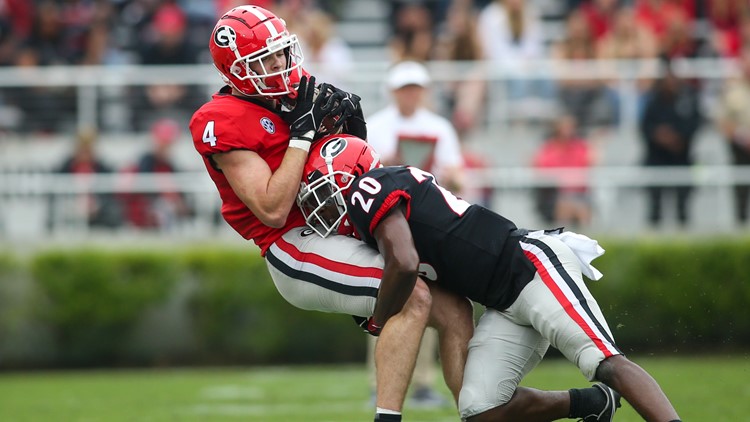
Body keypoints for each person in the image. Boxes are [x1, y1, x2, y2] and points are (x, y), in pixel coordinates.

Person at [188, 6, 474, 422]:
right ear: (234, 70)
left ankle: (479, 412)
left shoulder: (295, 87)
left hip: (343, 223)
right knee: (411, 294)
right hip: (292, 243)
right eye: (263, 60)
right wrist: (302, 136)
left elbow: (345, 160)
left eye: (280, 53)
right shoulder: (220, 120)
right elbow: (271, 208)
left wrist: (349, 132)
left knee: (456, 310)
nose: (280, 66)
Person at [297, 134, 683, 422]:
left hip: (532, 267)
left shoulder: (372, 188)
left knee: (605, 362)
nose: (321, 205)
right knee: (480, 409)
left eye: (326, 191)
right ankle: (592, 404)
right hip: (503, 304)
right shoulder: (377, 206)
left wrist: (377, 319)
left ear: (357, 178)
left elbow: (404, 262)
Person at [365, 59, 467, 409]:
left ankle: (421, 383)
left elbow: (457, 175)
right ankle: (380, 385)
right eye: (404, 89)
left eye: (415, 88)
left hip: (428, 218)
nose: (410, 95)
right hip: (390, 221)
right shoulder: (376, 126)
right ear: (394, 92)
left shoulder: (439, 127)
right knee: (388, 297)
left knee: (423, 298)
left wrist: (446, 174)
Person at [639, 57, 702, 228]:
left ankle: (685, 241)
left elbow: (695, 123)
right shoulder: (653, 99)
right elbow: (645, 126)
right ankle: (653, 240)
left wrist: (678, 138)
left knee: (683, 206)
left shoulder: (689, 98)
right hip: (657, 158)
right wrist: (659, 136)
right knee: (655, 206)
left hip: (681, 157)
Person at [122, 118, 193, 230]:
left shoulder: (170, 165)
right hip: (143, 217)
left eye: (168, 143)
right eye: (163, 143)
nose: (166, 147)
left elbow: (180, 196)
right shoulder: (144, 163)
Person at [717, 46, 750, 226]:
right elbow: (722, 121)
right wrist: (742, 136)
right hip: (741, 151)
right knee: (741, 195)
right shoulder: (732, 90)